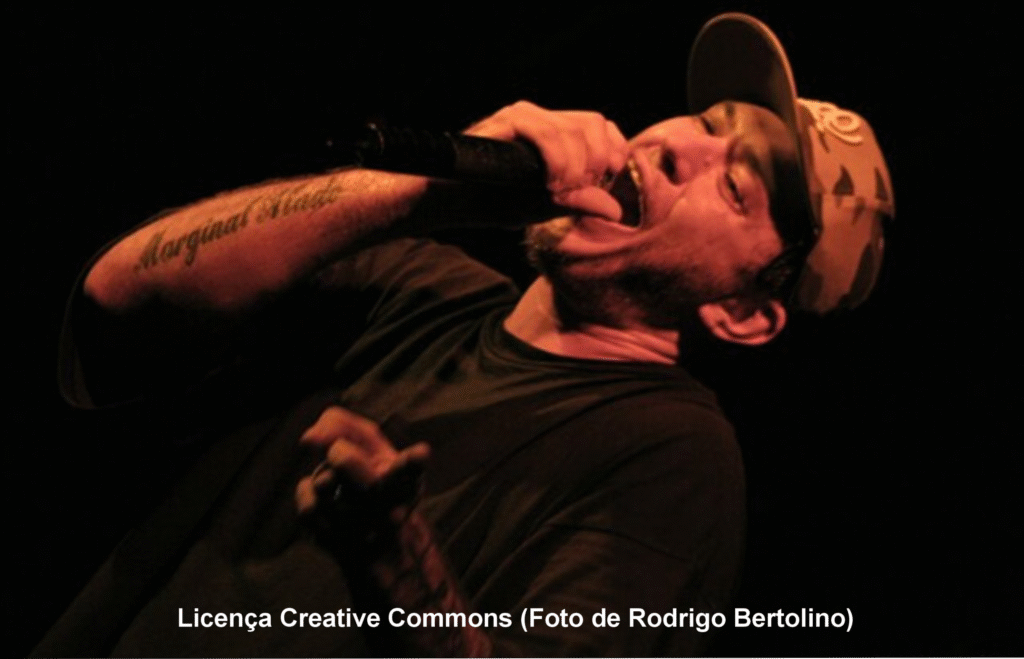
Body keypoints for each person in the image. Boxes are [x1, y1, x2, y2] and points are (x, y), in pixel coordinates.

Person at [36, 13, 894, 658]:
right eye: (707, 123)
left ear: (742, 314)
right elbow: (116, 300)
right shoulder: (413, 281)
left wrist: (398, 570)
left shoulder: (677, 455)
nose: (676, 147)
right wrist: (421, 195)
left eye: (736, 185)